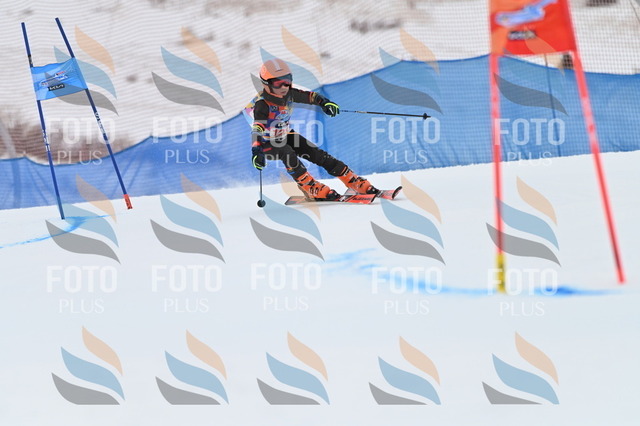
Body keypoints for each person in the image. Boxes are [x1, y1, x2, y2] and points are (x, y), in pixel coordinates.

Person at [248, 58, 379, 200]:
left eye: (287, 81)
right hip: (266, 144)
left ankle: (352, 180)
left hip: (285, 135)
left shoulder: (289, 93)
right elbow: (257, 129)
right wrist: (256, 150)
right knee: (287, 153)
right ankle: (309, 187)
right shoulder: (262, 104)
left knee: (316, 153)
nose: (284, 87)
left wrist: (324, 103)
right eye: (278, 83)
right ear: (266, 84)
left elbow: (310, 97)